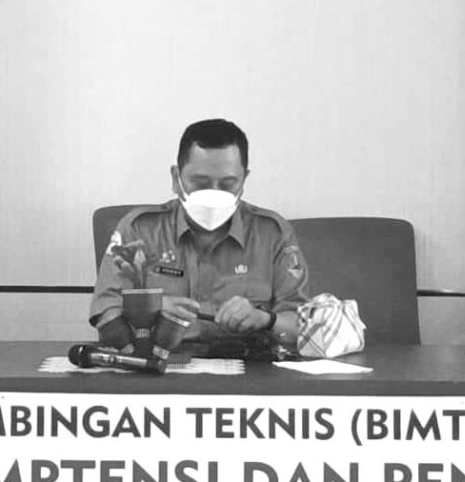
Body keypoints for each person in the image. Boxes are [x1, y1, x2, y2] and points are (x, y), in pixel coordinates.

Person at [90, 118, 311, 351]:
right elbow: (105, 313)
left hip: (248, 363)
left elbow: (302, 327)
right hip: (161, 361)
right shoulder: (139, 229)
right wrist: (149, 308)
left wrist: (265, 319)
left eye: (227, 184)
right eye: (200, 183)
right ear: (176, 179)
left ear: (244, 179)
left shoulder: (272, 233)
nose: (213, 194)